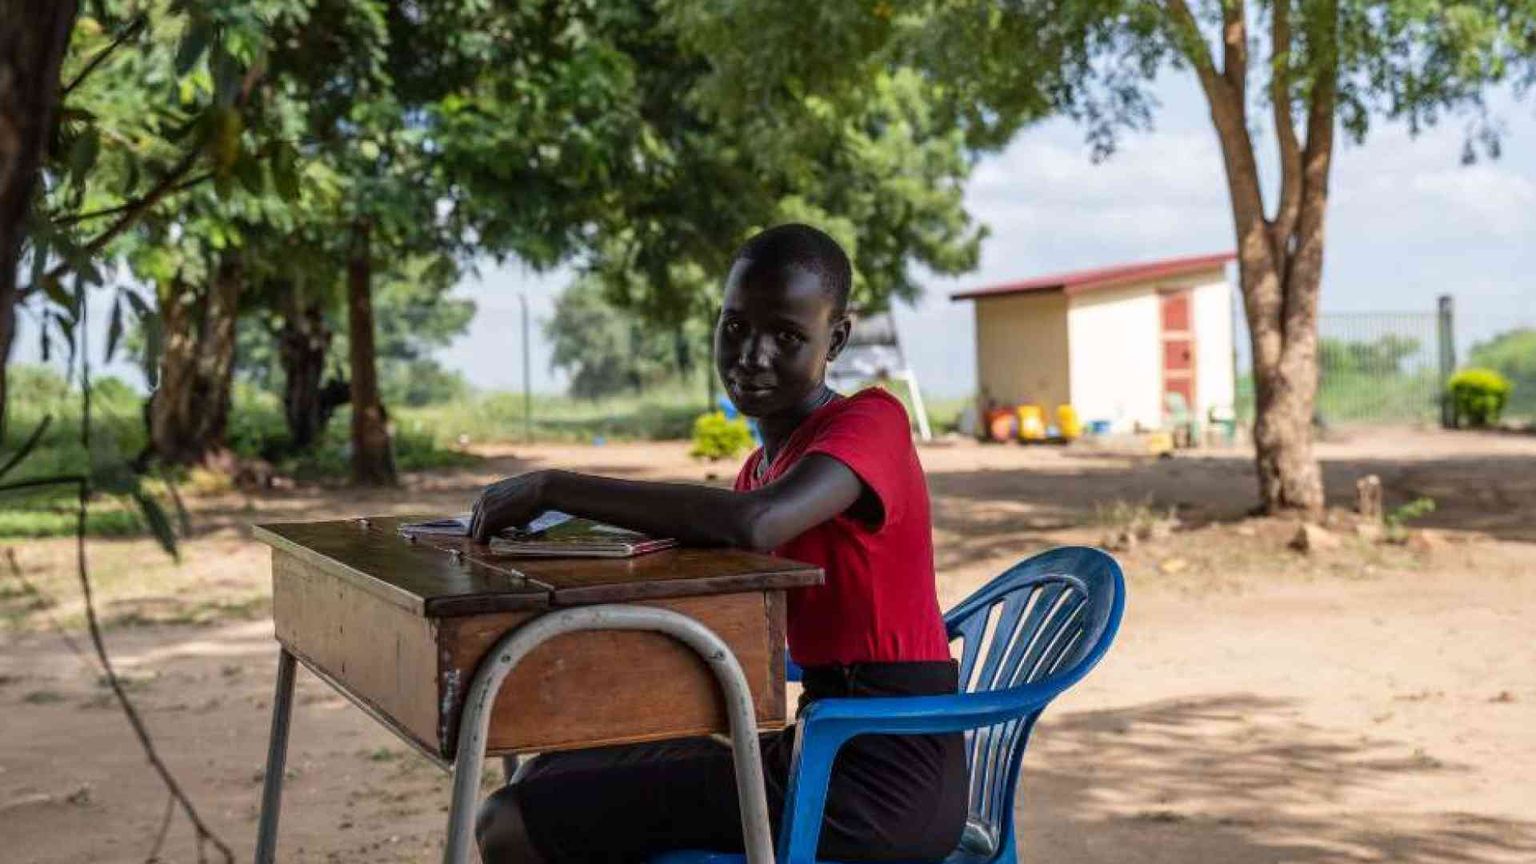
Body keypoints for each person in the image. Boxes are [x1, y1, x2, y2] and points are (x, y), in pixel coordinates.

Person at [471, 224, 967, 863]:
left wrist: (553, 487)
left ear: (835, 338)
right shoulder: (759, 472)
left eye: (787, 336)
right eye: (736, 327)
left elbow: (753, 523)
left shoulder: (870, 422)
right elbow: (718, 578)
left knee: (510, 819)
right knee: (550, 771)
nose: (752, 355)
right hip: (816, 750)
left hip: (881, 782)